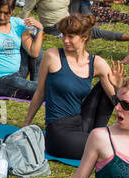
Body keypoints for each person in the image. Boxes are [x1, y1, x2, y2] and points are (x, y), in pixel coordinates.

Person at [24, 13, 120, 160]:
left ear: (84, 37)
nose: (65, 40)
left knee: (105, 89)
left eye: (70, 37)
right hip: (59, 132)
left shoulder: (96, 63)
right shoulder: (52, 56)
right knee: (107, 148)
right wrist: (25, 125)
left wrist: (118, 88)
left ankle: (100, 135)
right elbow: (40, 93)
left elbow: (118, 104)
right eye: (63, 35)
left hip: (82, 122)